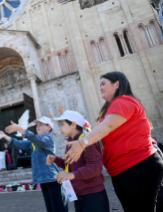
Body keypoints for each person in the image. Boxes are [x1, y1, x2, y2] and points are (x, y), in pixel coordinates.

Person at [63, 72, 163, 212]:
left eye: (104, 83)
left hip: (137, 165)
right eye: (100, 85)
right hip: (123, 170)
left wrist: (82, 143)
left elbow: (108, 126)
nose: (101, 88)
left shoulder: (123, 101)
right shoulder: (109, 109)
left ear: (117, 84)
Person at [0, 116, 68, 212]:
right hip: (43, 179)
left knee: (58, 208)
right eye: (37, 125)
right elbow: (19, 143)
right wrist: (5, 136)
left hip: (52, 178)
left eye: (41, 124)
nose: (37, 127)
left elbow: (39, 140)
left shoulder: (48, 138)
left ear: (49, 127)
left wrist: (21, 129)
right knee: (50, 208)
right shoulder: (33, 143)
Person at [47, 110, 109, 212]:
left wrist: (72, 175)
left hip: (93, 195)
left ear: (73, 125)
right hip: (78, 195)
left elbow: (96, 167)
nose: (59, 128)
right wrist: (55, 159)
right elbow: (70, 164)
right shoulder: (71, 142)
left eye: (62, 124)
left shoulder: (86, 141)